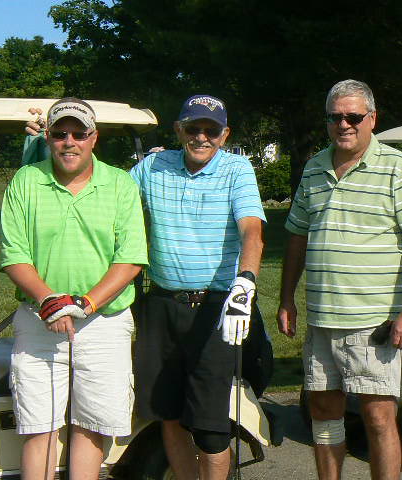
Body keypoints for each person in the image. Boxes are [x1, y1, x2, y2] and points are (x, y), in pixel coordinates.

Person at [276, 79, 402, 480]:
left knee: (378, 416)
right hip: (322, 319)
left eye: (353, 116)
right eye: (335, 117)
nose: (344, 124)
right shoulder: (314, 167)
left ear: (372, 119)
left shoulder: (397, 167)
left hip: (373, 321)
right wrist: (286, 298)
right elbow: (296, 235)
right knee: (323, 412)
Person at [1, 97, 148, 480]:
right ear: (48, 137)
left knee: (92, 427)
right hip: (39, 321)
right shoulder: (26, 180)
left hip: (104, 322)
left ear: (93, 138)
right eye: (60, 133)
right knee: (39, 427)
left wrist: (85, 303)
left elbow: (131, 258)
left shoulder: (119, 183)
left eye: (79, 134)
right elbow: (14, 254)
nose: (70, 142)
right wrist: (49, 300)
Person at [130, 95, 268, 480]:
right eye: (194, 128)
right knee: (168, 414)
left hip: (218, 308)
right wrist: (42, 148)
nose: (202, 137)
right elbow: (108, 193)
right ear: (179, 130)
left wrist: (245, 282)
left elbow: (251, 230)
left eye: (211, 130)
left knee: (210, 427)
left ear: (225, 134)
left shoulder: (237, 169)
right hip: (162, 306)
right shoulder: (152, 166)